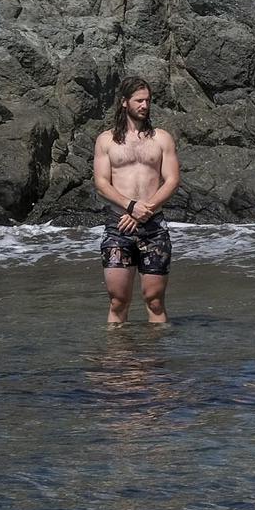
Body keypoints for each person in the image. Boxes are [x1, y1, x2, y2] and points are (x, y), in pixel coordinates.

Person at [92, 81, 181, 326]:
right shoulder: (106, 140)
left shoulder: (161, 138)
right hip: (118, 226)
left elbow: (172, 180)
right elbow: (101, 183)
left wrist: (145, 210)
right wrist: (131, 206)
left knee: (154, 300)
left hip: (154, 227)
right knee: (118, 300)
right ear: (124, 102)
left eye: (148, 100)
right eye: (139, 100)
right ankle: (117, 357)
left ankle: (154, 359)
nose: (145, 105)